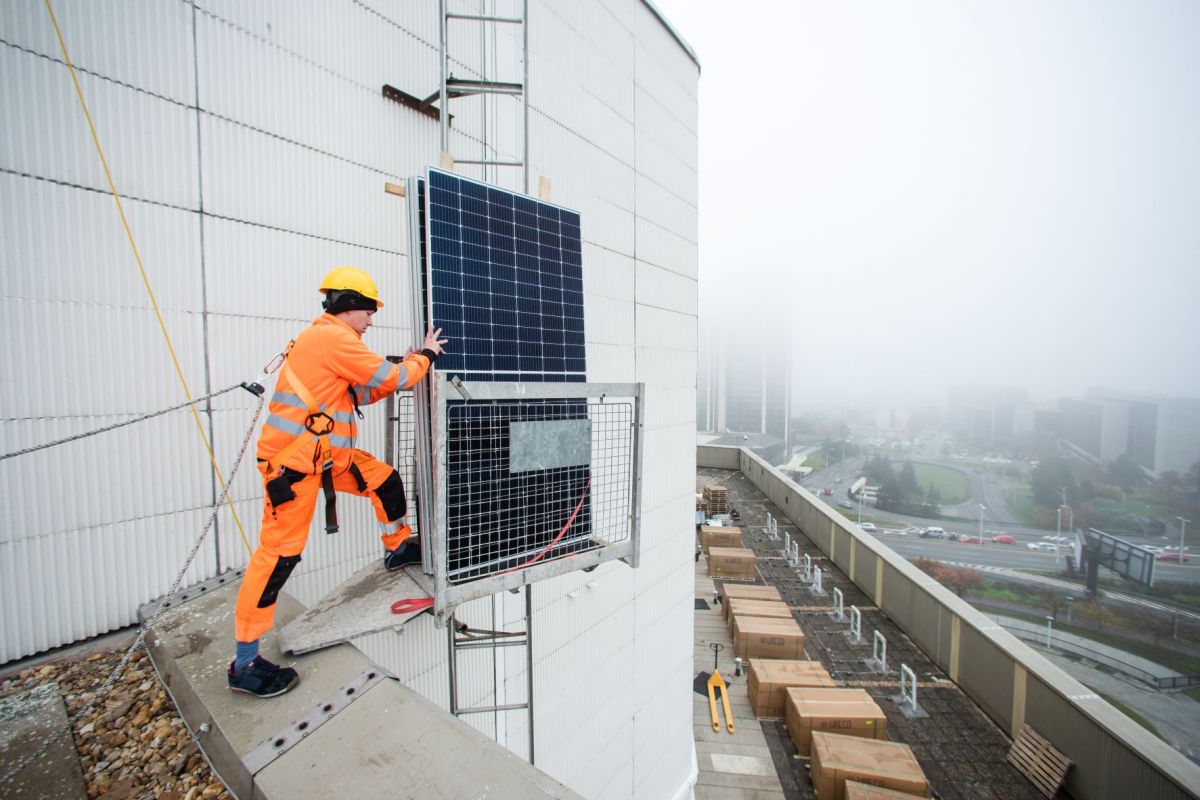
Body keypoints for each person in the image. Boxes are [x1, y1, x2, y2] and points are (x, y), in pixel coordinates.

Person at [228, 266, 447, 698]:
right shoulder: (333, 338)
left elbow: (363, 392)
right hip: (292, 471)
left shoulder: (332, 343)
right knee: (278, 558)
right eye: (369, 311)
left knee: (384, 480)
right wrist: (425, 356)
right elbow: (392, 379)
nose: (372, 320)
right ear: (349, 305)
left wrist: (401, 367)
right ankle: (244, 662)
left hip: (327, 460)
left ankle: (397, 546)